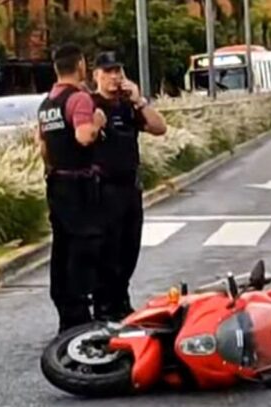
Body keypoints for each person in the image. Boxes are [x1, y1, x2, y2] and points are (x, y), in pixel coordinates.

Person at [89, 51, 167, 321]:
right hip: (103, 189)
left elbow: (159, 128)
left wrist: (140, 101)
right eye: (108, 71)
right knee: (107, 252)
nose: (114, 77)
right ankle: (104, 306)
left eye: (118, 71)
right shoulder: (90, 103)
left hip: (130, 188)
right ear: (96, 75)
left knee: (129, 249)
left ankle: (121, 302)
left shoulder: (127, 106)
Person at [36, 43, 108, 333]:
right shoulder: (79, 99)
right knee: (84, 245)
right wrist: (98, 122)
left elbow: (42, 147)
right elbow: (84, 136)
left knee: (62, 247)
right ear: (80, 65)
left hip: (56, 182)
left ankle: (66, 309)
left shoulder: (47, 104)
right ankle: (81, 311)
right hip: (79, 184)